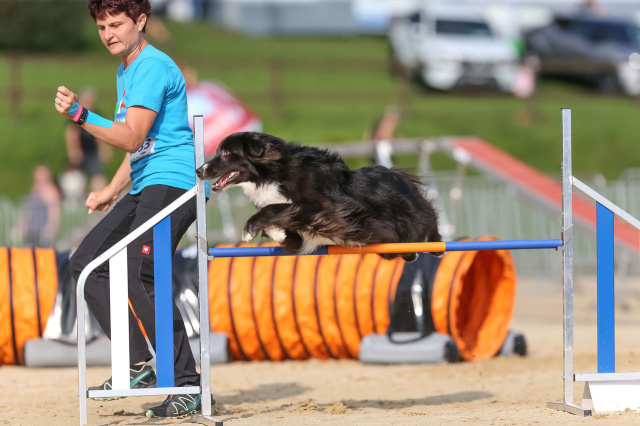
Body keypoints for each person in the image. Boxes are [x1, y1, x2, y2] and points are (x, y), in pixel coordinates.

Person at [53, 0, 212, 419]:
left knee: (141, 270)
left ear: (141, 21)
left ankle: (187, 384)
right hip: (146, 182)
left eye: (117, 24)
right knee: (87, 264)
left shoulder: (153, 66)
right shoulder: (127, 68)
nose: (108, 34)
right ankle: (136, 363)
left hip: (174, 182)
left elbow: (130, 137)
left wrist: (80, 114)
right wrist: (111, 189)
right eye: (102, 27)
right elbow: (138, 145)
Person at [64, 88, 112, 194]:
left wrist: (103, 149)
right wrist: (74, 150)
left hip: (92, 151)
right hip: (80, 150)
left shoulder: (96, 114)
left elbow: (101, 133)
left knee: (98, 174)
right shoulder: (76, 115)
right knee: (76, 175)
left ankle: (99, 193)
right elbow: (72, 134)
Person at [19, 165, 61, 247]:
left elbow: (54, 210)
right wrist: (22, 224)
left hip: (43, 229)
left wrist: (51, 225)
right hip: (31, 228)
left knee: (42, 252)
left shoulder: (49, 190)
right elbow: (28, 210)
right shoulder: (34, 189)